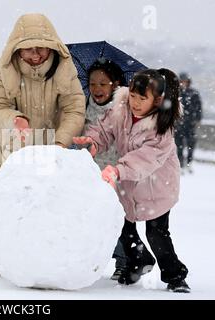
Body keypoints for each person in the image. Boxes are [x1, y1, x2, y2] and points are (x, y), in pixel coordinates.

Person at [0, 13, 85, 277]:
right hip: (10, 138)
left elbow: (74, 109)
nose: (35, 55)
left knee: (44, 201)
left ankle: (44, 257)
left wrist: (60, 141)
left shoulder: (66, 70)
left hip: (52, 141)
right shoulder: (3, 69)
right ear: (16, 48)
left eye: (41, 48)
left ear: (53, 46)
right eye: (29, 49)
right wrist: (15, 120)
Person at [73, 68, 190, 293]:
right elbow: (105, 129)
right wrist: (94, 140)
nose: (135, 103)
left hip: (157, 186)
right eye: (133, 96)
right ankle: (139, 260)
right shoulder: (120, 109)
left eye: (142, 99)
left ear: (157, 100)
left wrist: (118, 170)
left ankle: (174, 274)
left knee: (156, 233)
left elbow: (145, 159)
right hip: (128, 183)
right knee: (122, 225)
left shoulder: (162, 130)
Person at [82, 58, 128, 281]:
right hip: (91, 169)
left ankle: (124, 260)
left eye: (103, 83)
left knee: (118, 217)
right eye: (93, 83)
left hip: (117, 171)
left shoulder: (125, 108)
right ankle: (92, 260)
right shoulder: (82, 104)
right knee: (92, 217)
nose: (97, 89)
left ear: (116, 84)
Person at [174, 72, 202, 174]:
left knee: (191, 145)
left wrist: (197, 120)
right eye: (181, 81)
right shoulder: (176, 93)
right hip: (178, 124)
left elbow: (199, 108)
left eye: (185, 81)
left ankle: (189, 164)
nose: (183, 83)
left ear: (188, 82)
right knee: (179, 145)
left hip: (190, 124)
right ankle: (180, 164)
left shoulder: (194, 93)